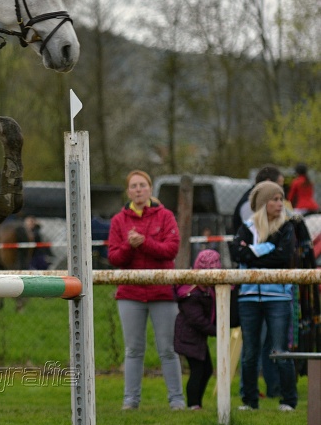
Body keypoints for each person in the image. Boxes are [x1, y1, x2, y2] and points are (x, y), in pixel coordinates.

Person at [107, 170, 185, 410]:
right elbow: (113, 257)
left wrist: (145, 242)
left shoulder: (166, 217)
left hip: (162, 293)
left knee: (168, 350)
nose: (138, 189)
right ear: (128, 191)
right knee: (133, 350)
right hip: (130, 294)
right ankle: (130, 401)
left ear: (150, 189)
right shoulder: (118, 221)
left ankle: (176, 401)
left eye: (142, 185)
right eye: (133, 186)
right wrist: (130, 247)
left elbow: (171, 250)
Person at [231, 181, 298, 411]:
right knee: (250, 352)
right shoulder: (245, 228)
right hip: (248, 298)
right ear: (262, 203)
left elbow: (283, 257)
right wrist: (267, 249)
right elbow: (235, 253)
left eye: (281, 199)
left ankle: (288, 400)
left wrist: (252, 254)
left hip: (278, 298)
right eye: (275, 199)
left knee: (280, 350)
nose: (280, 204)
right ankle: (250, 401)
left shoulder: (287, 227)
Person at [174, 249, 222, 410]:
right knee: (198, 370)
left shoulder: (206, 290)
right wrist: (217, 331)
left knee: (206, 369)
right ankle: (193, 405)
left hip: (197, 338)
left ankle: (196, 404)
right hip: (188, 337)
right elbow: (197, 320)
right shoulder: (192, 293)